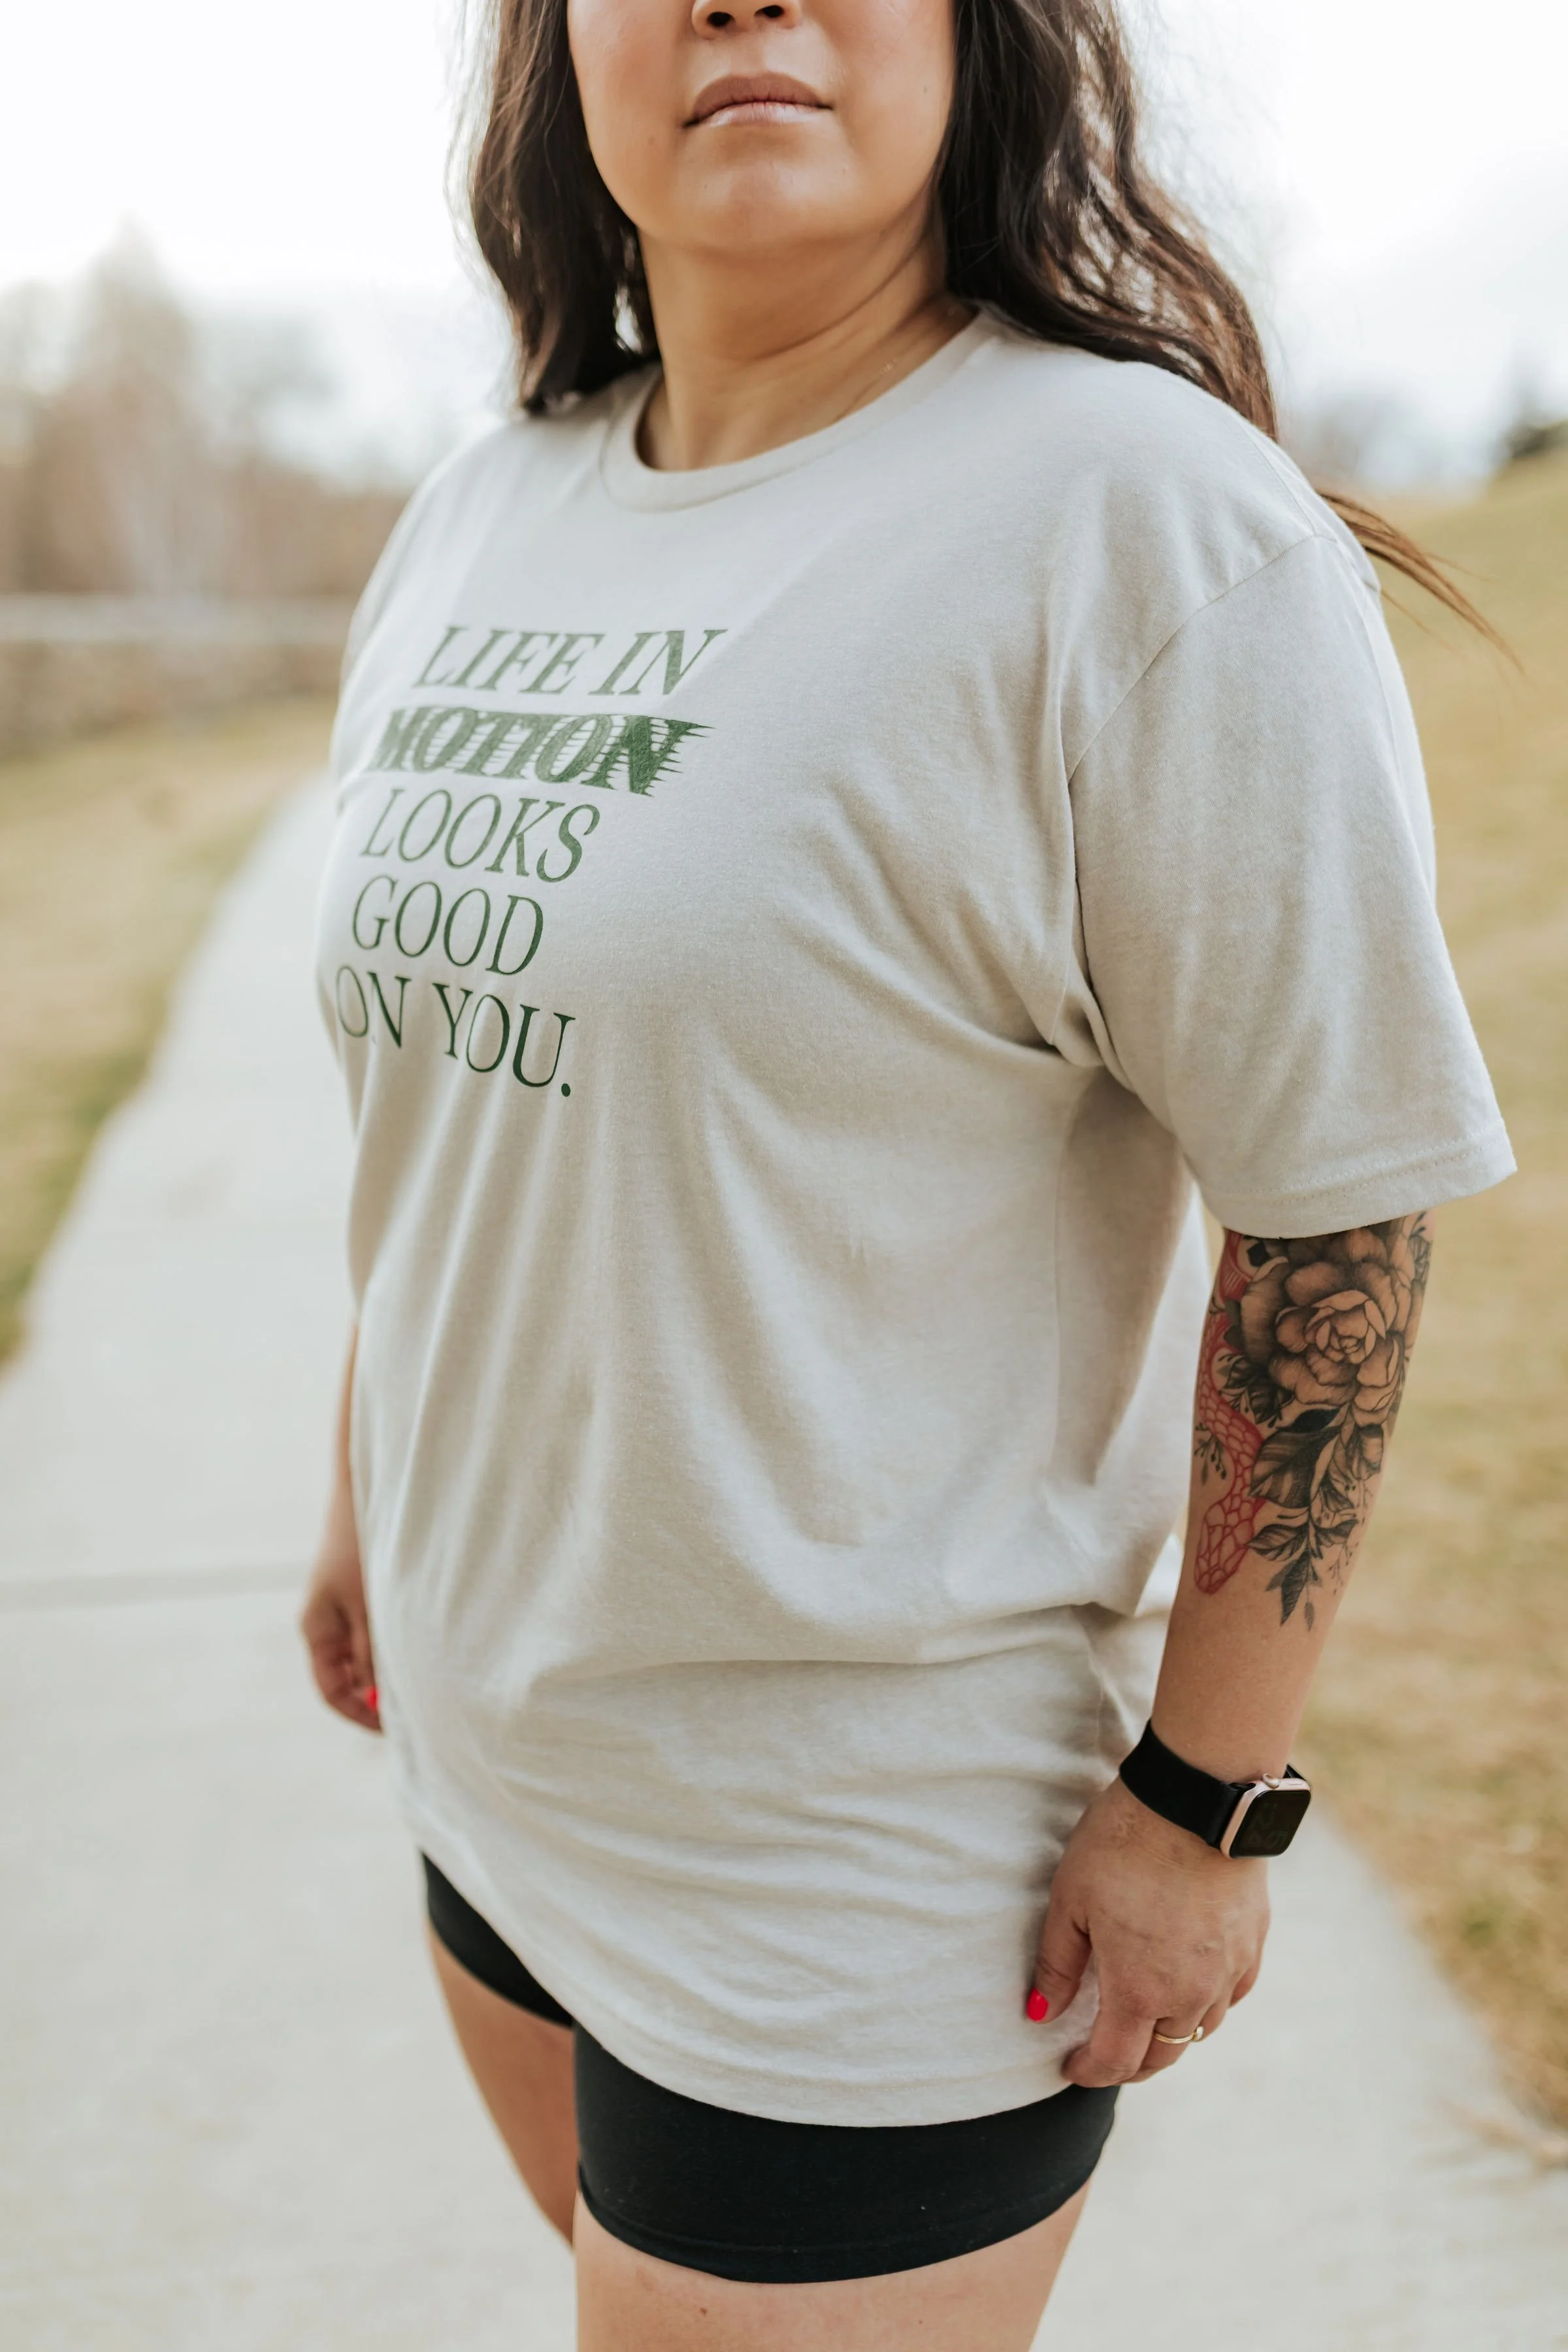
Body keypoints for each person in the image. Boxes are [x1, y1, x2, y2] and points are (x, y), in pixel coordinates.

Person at [300, 3, 1514, 2345]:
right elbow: (466, 1068)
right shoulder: (488, 504)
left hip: (855, 1866)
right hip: (501, 1780)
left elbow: (1335, 1208)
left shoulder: (1143, 524)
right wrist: (369, 1470)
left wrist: (1208, 1798)